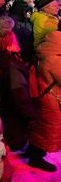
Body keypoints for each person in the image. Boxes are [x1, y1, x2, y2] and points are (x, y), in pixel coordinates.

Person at [0, 30, 36, 151]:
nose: (17, 42)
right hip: (11, 110)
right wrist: (30, 114)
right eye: (15, 40)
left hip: (1, 104)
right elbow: (19, 94)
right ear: (8, 44)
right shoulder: (10, 65)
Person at [27, 31, 61, 172]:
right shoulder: (55, 60)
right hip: (52, 99)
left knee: (42, 126)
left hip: (45, 96)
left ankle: (33, 151)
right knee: (47, 129)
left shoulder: (44, 54)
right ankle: (36, 158)